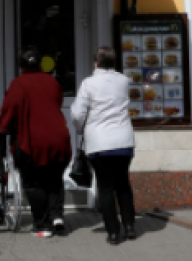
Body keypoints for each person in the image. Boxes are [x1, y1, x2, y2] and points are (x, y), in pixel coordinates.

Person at [0, 46, 72, 238]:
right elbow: (56, 103)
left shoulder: (18, 84)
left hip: (32, 141)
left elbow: (10, 110)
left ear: (20, 66)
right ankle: (57, 217)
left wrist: (2, 127)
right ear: (40, 64)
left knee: (33, 183)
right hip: (58, 137)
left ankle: (42, 225)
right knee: (54, 178)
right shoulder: (53, 82)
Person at [71, 46, 136, 246]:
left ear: (96, 63)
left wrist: (81, 129)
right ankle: (130, 227)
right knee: (123, 184)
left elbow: (77, 114)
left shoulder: (89, 83)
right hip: (124, 141)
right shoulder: (123, 81)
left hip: (99, 144)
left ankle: (114, 233)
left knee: (105, 187)